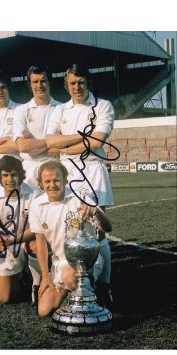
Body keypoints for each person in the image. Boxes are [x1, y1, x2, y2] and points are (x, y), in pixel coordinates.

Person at [45, 63, 115, 306]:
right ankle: (81, 282)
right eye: (72, 83)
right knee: (74, 229)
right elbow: (50, 143)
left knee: (98, 232)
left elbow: (97, 142)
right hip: (68, 173)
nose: (77, 87)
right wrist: (81, 140)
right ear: (66, 84)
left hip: (93, 171)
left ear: (88, 82)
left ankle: (104, 285)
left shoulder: (103, 105)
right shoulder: (59, 110)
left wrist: (65, 146)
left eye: (81, 82)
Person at [29, 161, 112, 317]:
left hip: (86, 261)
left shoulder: (79, 197)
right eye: (47, 181)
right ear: (41, 184)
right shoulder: (36, 205)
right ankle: (76, 294)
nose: (52, 185)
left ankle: (90, 293)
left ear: (65, 180)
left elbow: (107, 228)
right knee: (44, 310)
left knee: (70, 279)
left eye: (56, 180)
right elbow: (40, 244)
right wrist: (45, 277)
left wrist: (96, 212)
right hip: (59, 263)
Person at [12, 65, 61, 302]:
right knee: (31, 235)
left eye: (43, 81)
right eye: (35, 82)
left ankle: (59, 278)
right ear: (29, 85)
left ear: (49, 82)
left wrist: (36, 143)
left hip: (54, 178)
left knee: (58, 232)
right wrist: (49, 143)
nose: (39, 85)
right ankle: (36, 281)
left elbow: (59, 147)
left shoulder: (61, 109)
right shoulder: (21, 111)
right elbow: (22, 146)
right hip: (29, 180)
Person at [0, 155, 38, 304]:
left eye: (13, 175)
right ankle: (19, 278)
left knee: (37, 245)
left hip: (24, 242)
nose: (10, 179)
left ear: (20, 175)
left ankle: (36, 283)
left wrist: (13, 240)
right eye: (5, 175)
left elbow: (35, 229)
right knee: (4, 298)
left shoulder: (33, 194)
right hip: (4, 247)